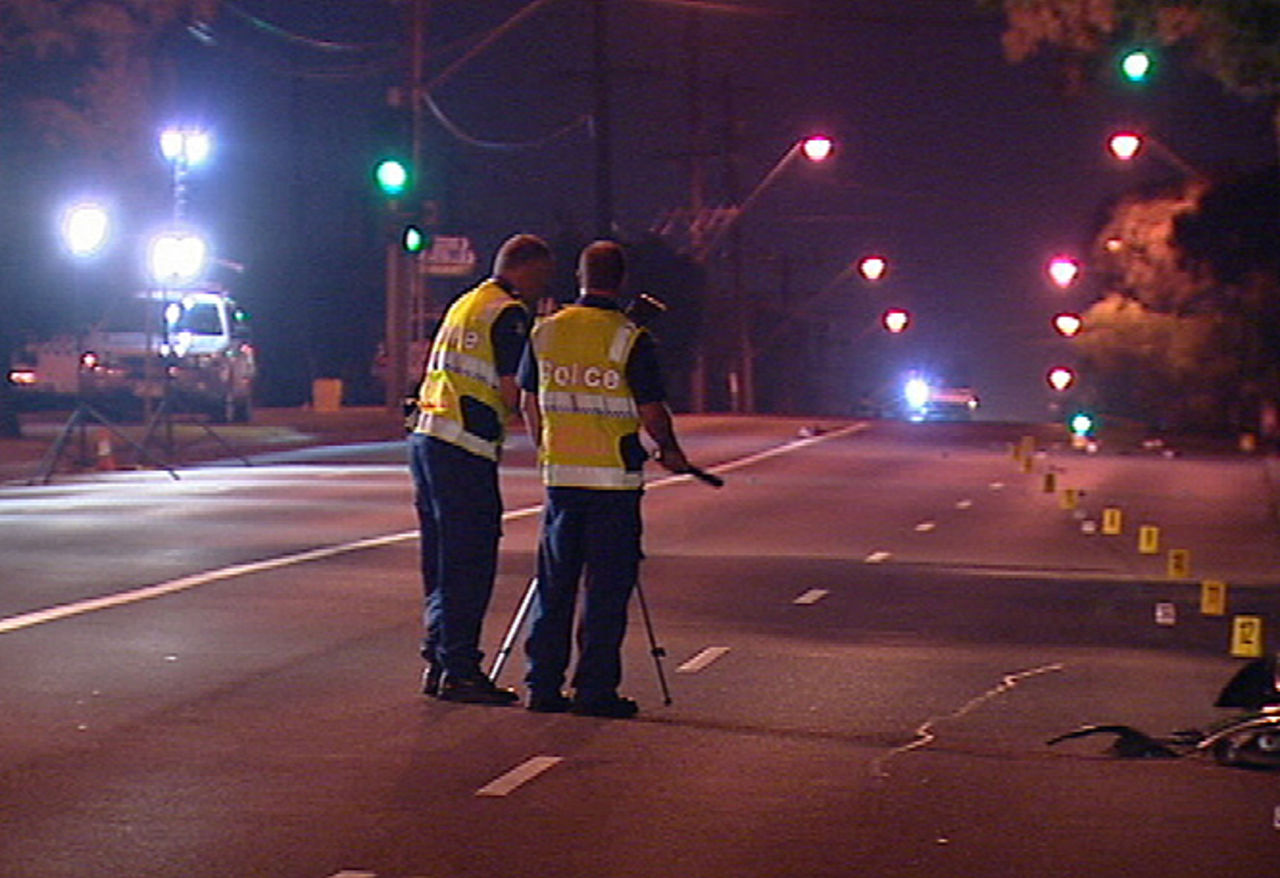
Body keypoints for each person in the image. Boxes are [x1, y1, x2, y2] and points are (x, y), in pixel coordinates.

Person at [518, 239, 692, 718]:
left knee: (555, 586)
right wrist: (670, 450)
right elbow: (652, 410)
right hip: (613, 485)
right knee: (606, 590)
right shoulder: (629, 337)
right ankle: (594, 690)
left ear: (579, 277)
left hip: (561, 482)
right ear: (621, 281)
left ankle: (542, 686)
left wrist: (546, 448)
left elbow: (527, 402)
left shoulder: (545, 332)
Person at [410, 233, 554, 704]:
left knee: (441, 559)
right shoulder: (508, 314)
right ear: (524, 267)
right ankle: (462, 668)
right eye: (543, 275)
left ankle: (441, 657)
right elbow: (516, 391)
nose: (544, 286)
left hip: (429, 438)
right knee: (470, 560)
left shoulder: (467, 302)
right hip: (463, 447)